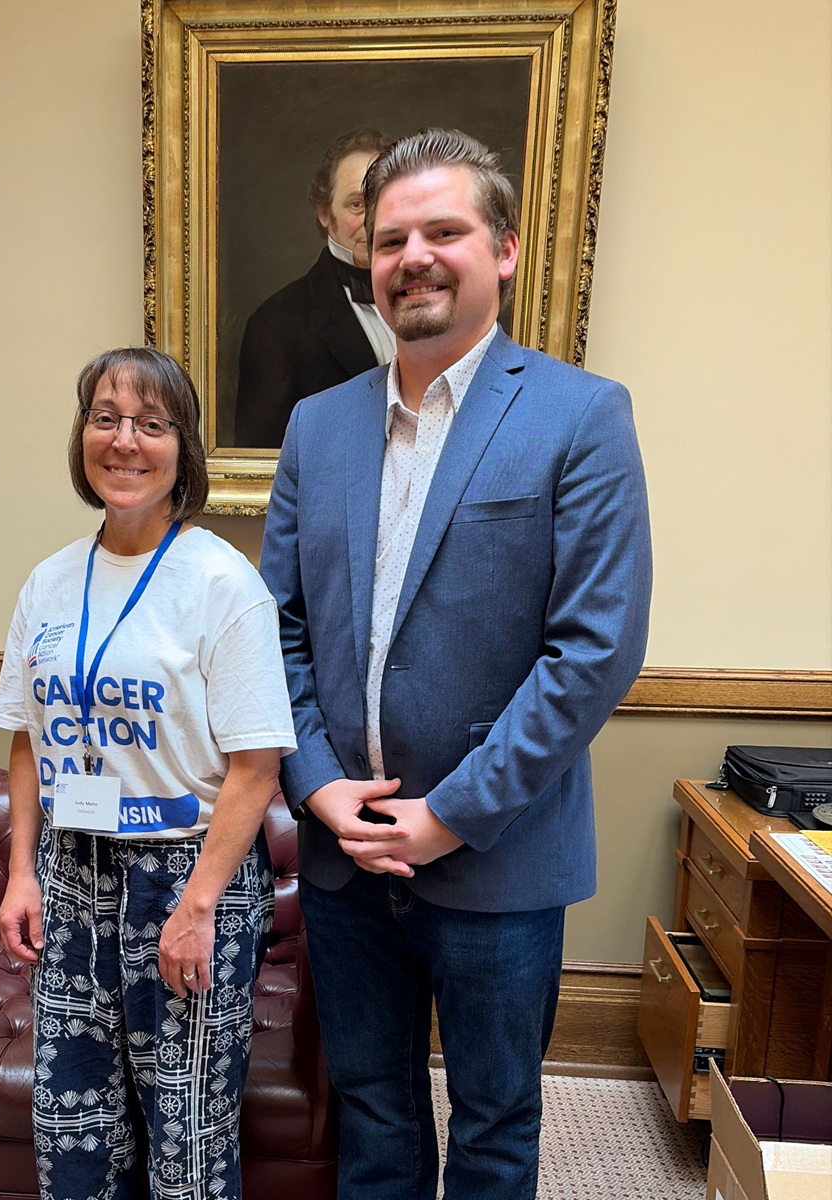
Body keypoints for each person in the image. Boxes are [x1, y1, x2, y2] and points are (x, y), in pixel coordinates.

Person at [259, 128, 652, 1199]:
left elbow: (594, 652)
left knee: (492, 1130)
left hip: (500, 858)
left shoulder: (580, 415)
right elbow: (275, 629)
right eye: (390, 240)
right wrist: (320, 786)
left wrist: (450, 815)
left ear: (506, 250)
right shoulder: (318, 425)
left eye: (445, 230)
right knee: (374, 1120)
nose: (413, 257)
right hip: (345, 857)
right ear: (364, 255)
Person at [0, 347, 296, 1200]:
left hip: (186, 874)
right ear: (82, 437)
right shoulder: (48, 582)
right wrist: (22, 873)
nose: (125, 441)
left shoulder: (222, 583)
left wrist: (197, 908)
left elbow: (257, 766)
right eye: (105, 418)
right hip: (72, 872)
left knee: (186, 1137)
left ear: (182, 449)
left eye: (151, 424)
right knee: (72, 1127)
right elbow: (26, 739)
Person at [234, 128, 394, 448]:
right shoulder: (276, 326)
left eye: (384, 201)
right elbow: (261, 462)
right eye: (358, 204)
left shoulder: (430, 297)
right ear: (324, 212)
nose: (374, 222)